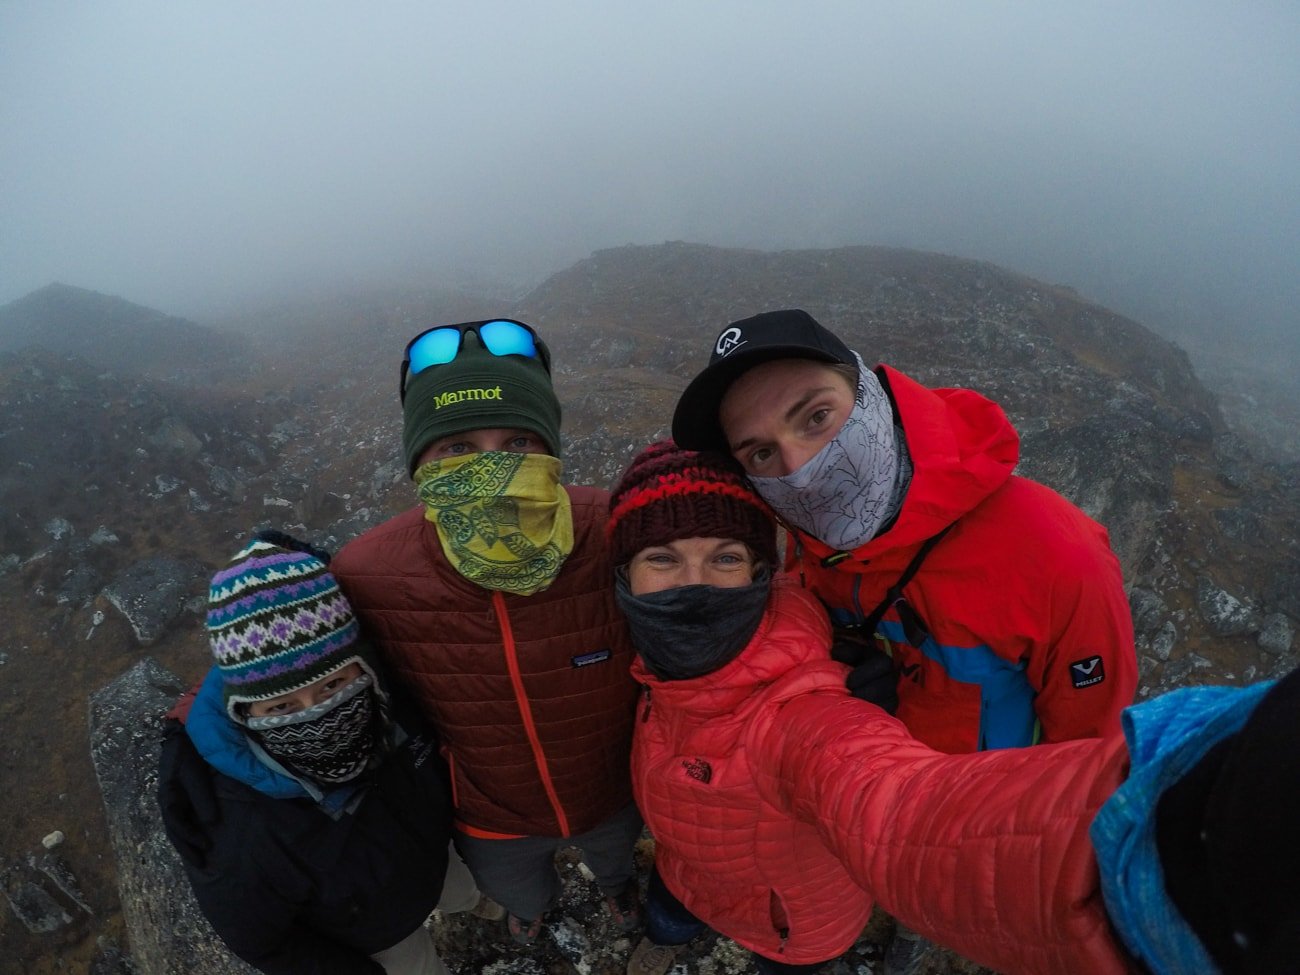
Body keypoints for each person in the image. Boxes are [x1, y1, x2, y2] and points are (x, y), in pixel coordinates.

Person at [606, 440, 1299, 975]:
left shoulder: (801, 717)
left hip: (794, 924)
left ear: (761, 574)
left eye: (726, 556)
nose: (694, 585)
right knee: (666, 921)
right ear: (623, 578)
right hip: (686, 873)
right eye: (662, 558)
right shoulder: (641, 658)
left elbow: (904, 812)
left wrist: (1178, 829)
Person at [672, 308, 1141, 971]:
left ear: (868, 391)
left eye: (814, 416)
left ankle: (921, 936)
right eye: (761, 452)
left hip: (984, 820)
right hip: (860, 805)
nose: (800, 467)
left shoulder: (1056, 553)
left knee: (944, 913)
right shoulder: (805, 542)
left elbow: (1093, 754)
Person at [329, 318, 643, 946]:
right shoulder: (369, 574)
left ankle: (620, 893)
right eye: (458, 449)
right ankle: (530, 908)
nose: (494, 467)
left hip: (613, 790)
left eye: (518, 442)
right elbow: (292, 671)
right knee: (518, 890)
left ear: (550, 448)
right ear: (421, 460)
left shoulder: (618, 530)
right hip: (489, 813)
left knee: (618, 863)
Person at [157, 531, 477, 975]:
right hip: (378, 933)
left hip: (435, 859)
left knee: (468, 893)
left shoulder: (393, 705)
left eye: (333, 686)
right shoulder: (239, 829)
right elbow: (262, 939)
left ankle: (490, 911)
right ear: (245, 711)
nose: (318, 714)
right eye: (283, 707)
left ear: (365, 667)